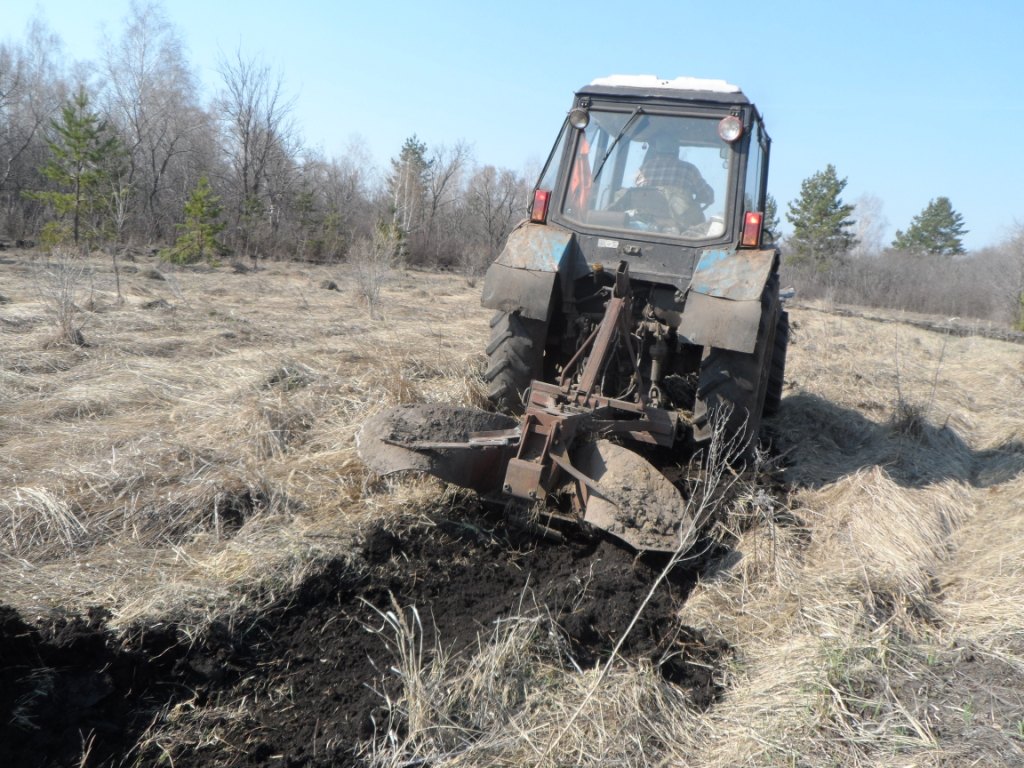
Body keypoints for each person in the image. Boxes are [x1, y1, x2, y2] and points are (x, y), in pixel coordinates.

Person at [636, 138, 714, 228]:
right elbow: (708, 196)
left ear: (656, 151)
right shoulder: (688, 169)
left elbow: (638, 193)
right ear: (677, 151)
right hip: (680, 225)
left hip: (647, 222)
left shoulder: (645, 168)